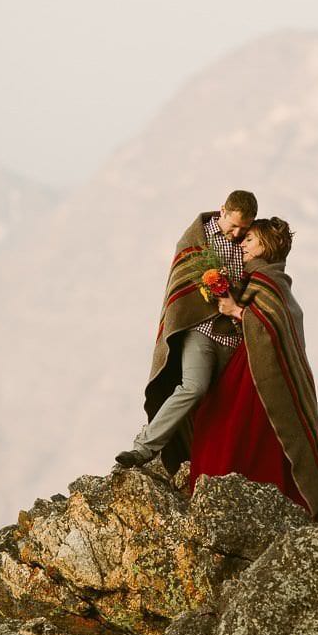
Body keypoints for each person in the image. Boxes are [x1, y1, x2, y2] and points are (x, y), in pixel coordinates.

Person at [188, 216, 318, 517]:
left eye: (249, 239)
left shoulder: (269, 281)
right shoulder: (258, 278)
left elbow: (272, 326)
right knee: (216, 421)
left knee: (239, 431)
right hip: (249, 362)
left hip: (259, 374)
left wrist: (238, 311)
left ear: (266, 245)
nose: (243, 244)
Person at [115, 191, 257, 474]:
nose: (239, 232)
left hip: (238, 337)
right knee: (193, 387)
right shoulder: (196, 241)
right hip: (201, 331)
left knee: (241, 402)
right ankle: (143, 448)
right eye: (235, 225)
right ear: (223, 212)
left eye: (245, 227)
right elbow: (184, 290)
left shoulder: (251, 241)